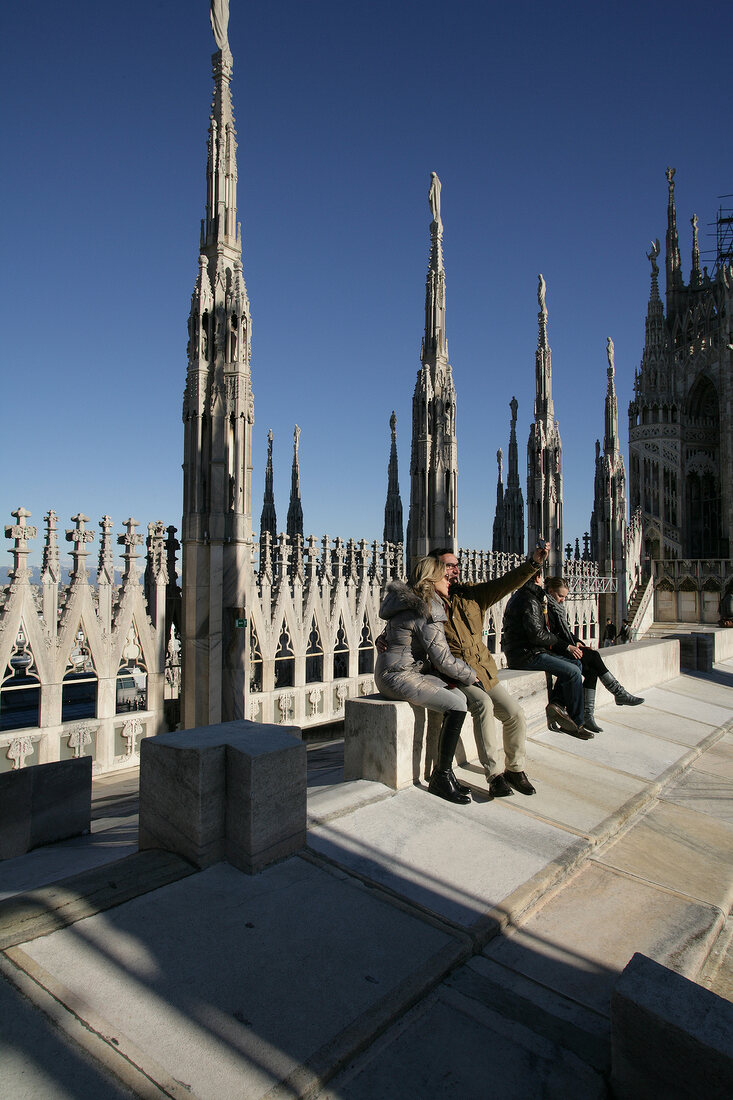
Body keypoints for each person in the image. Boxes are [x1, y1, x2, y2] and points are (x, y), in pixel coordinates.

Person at [424, 545, 547, 799]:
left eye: (456, 565)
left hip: (484, 671)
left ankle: (515, 769)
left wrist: (533, 564)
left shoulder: (472, 596)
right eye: (448, 566)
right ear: (435, 569)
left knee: (515, 714)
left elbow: (506, 583)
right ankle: (494, 775)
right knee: (482, 706)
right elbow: (404, 623)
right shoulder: (427, 601)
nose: (454, 570)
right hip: (455, 674)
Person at [375, 556, 479, 805]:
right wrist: (472, 676)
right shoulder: (427, 609)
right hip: (398, 675)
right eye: (445, 576)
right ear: (432, 580)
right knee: (457, 706)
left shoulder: (411, 604)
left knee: (458, 698)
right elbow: (443, 659)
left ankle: (445, 772)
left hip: (399, 670)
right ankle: (441, 777)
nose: (450, 580)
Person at [544, 578, 644, 733]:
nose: (563, 600)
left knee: (591, 670)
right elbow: (549, 635)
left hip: (565, 646)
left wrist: (576, 641)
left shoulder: (555, 606)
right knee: (594, 657)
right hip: (556, 649)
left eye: (564, 597)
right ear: (551, 592)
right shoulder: (546, 607)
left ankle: (588, 716)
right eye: (561, 596)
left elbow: (565, 632)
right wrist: (569, 646)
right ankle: (618, 693)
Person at [502, 572, 593, 739]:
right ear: (536, 579)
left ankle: (557, 705)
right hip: (525, 654)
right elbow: (537, 634)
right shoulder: (528, 599)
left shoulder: (529, 596)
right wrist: (564, 645)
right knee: (573, 671)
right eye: (542, 576)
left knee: (577, 664)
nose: (544, 579)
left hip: (531, 651)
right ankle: (576, 724)